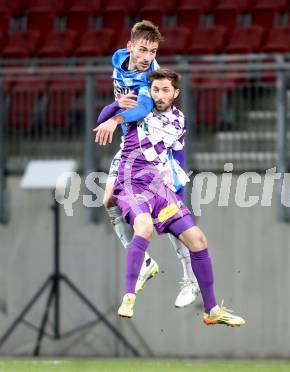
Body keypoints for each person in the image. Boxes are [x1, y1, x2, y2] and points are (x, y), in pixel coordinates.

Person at [113, 69, 245, 327]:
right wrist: (112, 116)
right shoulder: (141, 108)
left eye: (165, 90)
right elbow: (104, 116)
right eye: (155, 89)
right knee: (144, 226)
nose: (159, 95)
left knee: (197, 239)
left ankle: (212, 310)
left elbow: (179, 158)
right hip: (131, 183)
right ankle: (128, 296)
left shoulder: (178, 120)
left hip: (161, 189)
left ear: (176, 93)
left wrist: (179, 196)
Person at [93, 20, 199, 307]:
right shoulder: (119, 62)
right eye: (142, 50)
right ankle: (146, 264)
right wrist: (114, 109)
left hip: (152, 145)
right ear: (130, 47)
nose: (146, 57)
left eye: (152, 51)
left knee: (168, 216)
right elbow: (111, 107)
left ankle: (189, 276)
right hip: (129, 146)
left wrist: (114, 118)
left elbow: (141, 107)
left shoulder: (148, 79)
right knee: (109, 202)